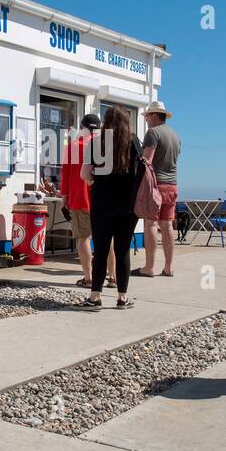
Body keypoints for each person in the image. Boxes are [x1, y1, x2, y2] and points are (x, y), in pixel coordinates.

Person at [79, 106, 144, 309]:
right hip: (128, 205)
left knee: (101, 249)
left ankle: (95, 296)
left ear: (106, 122)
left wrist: (95, 182)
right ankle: (122, 298)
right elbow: (142, 170)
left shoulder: (96, 142)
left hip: (102, 203)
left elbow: (84, 174)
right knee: (122, 250)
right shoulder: (134, 141)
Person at [136, 100, 181, 277]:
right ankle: (169, 267)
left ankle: (149, 267)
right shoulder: (175, 136)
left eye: (147, 115)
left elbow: (147, 162)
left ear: (154, 115)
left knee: (150, 224)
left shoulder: (153, 133)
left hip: (156, 186)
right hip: (172, 185)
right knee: (168, 224)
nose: (146, 119)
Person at [61, 113, 104, 288]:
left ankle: (89, 278)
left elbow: (66, 175)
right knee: (106, 239)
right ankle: (113, 277)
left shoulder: (72, 147)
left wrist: (64, 199)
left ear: (81, 127)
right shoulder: (104, 148)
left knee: (83, 238)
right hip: (101, 198)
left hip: (80, 198)